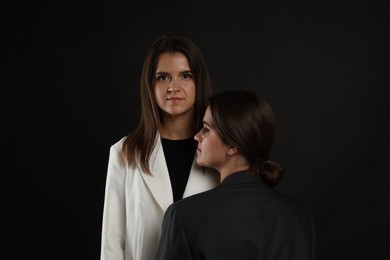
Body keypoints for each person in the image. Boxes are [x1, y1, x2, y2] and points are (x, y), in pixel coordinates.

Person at [155, 89, 316, 260]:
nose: (197, 136)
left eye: (206, 129)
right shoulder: (300, 218)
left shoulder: (183, 216)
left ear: (232, 146)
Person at [100, 35, 219, 260]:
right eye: (163, 77)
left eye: (185, 76)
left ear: (199, 81)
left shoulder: (220, 151)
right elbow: (112, 245)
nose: (173, 87)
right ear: (150, 85)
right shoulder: (124, 153)